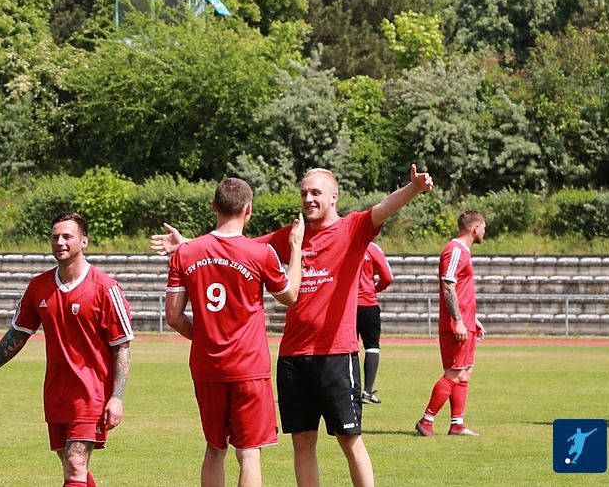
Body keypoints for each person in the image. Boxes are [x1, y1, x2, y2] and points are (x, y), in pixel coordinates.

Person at [153, 164, 434, 487]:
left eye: (316, 193)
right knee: (301, 440)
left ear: (334, 196)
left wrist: (414, 188)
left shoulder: (352, 228)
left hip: (335, 353)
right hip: (293, 356)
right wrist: (187, 244)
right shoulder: (291, 235)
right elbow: (235, 245)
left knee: (349, 438)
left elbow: (384, 207)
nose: (308, 199)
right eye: (304, 193)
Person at [0, 212, 133, 487]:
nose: (60, 242)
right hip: (56, 392)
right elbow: (17, 334)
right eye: (55, 237)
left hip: (91, 393)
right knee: (71, 463)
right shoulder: (38, 287)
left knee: (75, 464)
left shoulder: (105, 288)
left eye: (67, 236)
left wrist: (117, 397)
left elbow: (121, 346)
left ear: (84, 241)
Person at [164, 178, 305, 487]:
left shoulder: (185, 253)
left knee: (215, 448)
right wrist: (295, 250)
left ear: (214, 206)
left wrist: (206, 338)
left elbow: (173, 316)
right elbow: (290, 295)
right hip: (248, 367)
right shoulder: (261, 253)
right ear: (248, 210)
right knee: (249, 452)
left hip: (207, 366)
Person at [415, 210, 486, 437]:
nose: (484, 232)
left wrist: (472, 318)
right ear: (475, 228)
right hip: (456, 324)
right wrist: (458, 321)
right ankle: (426, 421)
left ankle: (457, 424)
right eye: (483, 227)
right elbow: (448, 286)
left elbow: (462, 290)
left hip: (466, 320)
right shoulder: (455, 250)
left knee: (465, 372)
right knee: (454, 373)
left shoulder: (463, 251)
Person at [357, 241, 393, 405]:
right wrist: (374, 288)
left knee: (347, 347)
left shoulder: (343, 243)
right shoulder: (372, 248)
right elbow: (388, 277)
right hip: (368, 303)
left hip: (346, 305)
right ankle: (367, 392)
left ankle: (349, 390)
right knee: (372, 347)